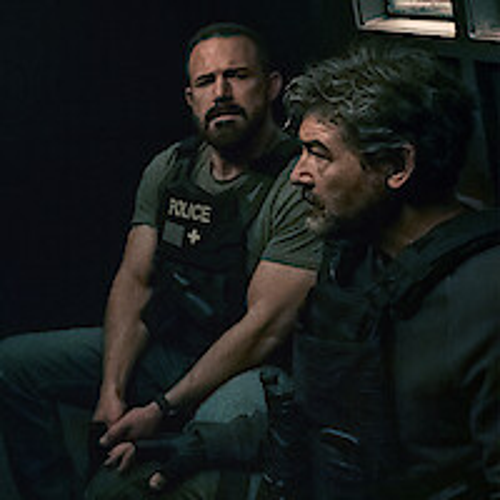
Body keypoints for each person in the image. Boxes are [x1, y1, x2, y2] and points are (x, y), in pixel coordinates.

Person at [0, 22, 320, 500]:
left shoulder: (298, 179)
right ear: (190, 98)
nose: (221, 93)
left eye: (237, 76)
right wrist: (111, 390)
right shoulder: (171, 168)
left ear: (272, 86)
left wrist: (162, 408)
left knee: (169, 468)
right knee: (13, 365)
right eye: (206, 82)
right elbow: (136, 282)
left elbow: (265, 329)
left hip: (252, 371)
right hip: (172, 349)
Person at [254, 41, 499, 499]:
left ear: (396, 166)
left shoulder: (485, 295)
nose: (297, 174)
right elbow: (323, 413)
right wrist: (203, 445)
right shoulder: (352, 263)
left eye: (319, 153)